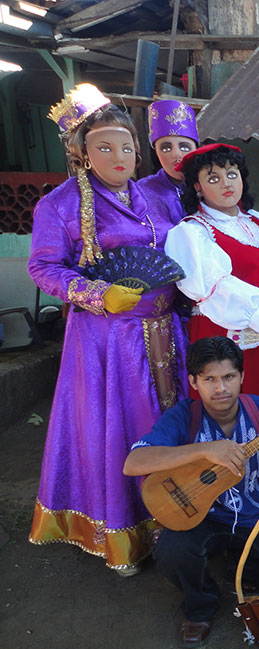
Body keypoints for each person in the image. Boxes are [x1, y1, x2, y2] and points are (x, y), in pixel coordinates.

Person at [28, 84, 187, 575]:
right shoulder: (59, 205)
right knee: (123, 430)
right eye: (103, 147)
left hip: (167, 330)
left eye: (125, 146)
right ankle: (124, 533)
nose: (118, 156)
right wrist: (97, 295)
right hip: (108, 341)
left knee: (174, 422)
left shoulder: (157, 198)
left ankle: (181, 520)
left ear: (138, 151)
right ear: (81, 152)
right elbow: (43, 267)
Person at [124, 336, 259, 647]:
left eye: (229, 377)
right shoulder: (183, 416)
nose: (221, 388)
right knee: (171, 553)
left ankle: (244, 570)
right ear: (194, 382)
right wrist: (205, 450)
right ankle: (199, 606)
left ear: (241, 377)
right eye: (209, 379)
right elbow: (134, 462)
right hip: (202, 516)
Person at [165, 144, 259, 413]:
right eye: (213, 178)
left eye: (232, 174)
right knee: (244, 410)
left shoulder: (258, 220)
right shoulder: (192, 232)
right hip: (226, 337)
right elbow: (215, 289)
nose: (226, 183)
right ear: (197, 187)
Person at [138, 99, 198, 225]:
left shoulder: (209, 185)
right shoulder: (143, 190)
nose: (176, 155)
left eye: (184, 147)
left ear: (196, 149)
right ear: (157, 152)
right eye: (166, 148)